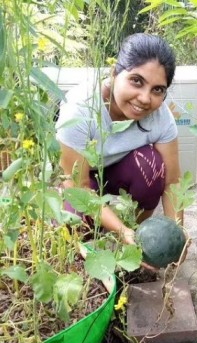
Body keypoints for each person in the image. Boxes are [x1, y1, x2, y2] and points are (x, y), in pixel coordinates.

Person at [56, 33, 183, 263]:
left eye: (157, 90)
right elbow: (79, 186)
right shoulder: (80, 108)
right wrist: (120, 230)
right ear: (114, 73)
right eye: (136, 81)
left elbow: (173, 184)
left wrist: (177, 235)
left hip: (120, 170)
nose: (145, 99)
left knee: (152, 166)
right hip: (83, 178)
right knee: (71, 229)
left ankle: (137, 238)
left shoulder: (161, 117)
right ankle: (120, 231)